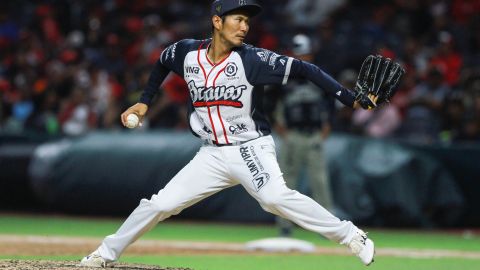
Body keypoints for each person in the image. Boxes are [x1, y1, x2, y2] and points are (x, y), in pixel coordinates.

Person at [80, 0, 376, 267]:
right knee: (160, 204)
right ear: (217, 21)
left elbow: (306, 69)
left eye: (247, 21)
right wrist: (145, 101)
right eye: (238, 19)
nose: (244, 27)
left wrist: (349, 98)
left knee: (274, 198)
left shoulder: (252, 60)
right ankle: (105, 254)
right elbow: (162, 61)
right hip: (211, 154)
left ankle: (351, 235)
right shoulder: (186, 53)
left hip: (249, 147)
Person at [273, 34, 335, 237]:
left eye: (306, 54)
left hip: (314, 134)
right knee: (287, 181)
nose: (303, 58)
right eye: (300, 54)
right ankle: (284, 225)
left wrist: (328, 123)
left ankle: (326, 226)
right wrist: (277, 124)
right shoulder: (282, 77)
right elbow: (270, 102)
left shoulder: (319, 75)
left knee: (320, 181)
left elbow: (330, 101)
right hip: (293, 135)